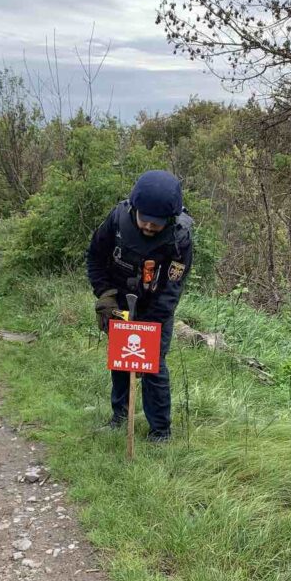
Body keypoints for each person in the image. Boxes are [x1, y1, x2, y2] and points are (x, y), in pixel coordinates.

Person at [86, 170, 193, 442]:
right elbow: (96, 257)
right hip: (119, 303)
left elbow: (172, 287)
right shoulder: (118, 219)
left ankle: (160, 432)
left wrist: (150, 325)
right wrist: (105, 295)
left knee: (153, 366)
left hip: (156, 308)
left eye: (156, 224)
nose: (148, 227)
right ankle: (119, 418)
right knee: (121, 361)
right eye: (144, 220)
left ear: (169, 219)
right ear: (135, 209)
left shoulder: (179, 238)